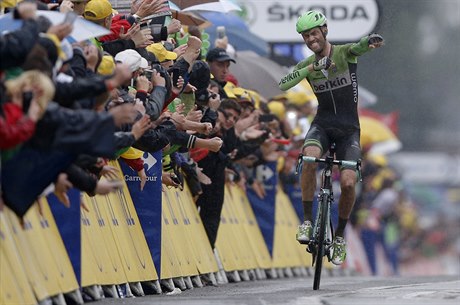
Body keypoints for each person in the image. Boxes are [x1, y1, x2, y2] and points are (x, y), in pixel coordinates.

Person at [279, 10, 384, 265]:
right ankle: (306, 221)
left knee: (348, 183)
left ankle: (338, 237)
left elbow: (358, 47)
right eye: (305, 36)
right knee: (309, 158)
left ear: (324, 30)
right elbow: (283, 84)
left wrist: (369, 42)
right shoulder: (307, 65)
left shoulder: (342, 53)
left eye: (314, 33)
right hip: (323, 126)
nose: (310, 39)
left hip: (349, 129)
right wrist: (312, 67)